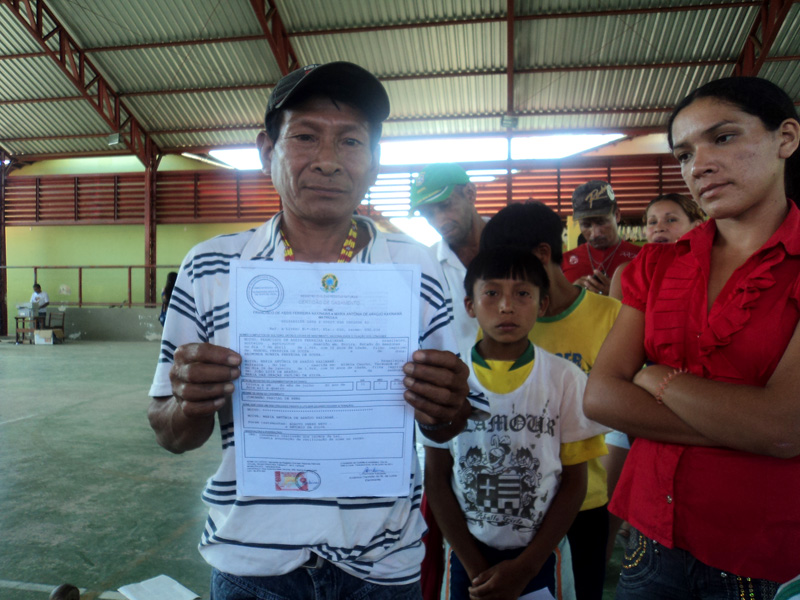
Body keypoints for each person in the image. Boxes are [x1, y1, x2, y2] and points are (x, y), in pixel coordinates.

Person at [148, 62, 476, 600]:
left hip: (382, 568)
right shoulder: (210, 266)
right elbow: (169, 432)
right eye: (305, 136)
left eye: (351, 141)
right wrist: (190, 402)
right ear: (266, 150)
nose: (328, 160)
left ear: (374, 161)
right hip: (253, 565)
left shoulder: (415, 267)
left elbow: (446, 428)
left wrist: (448, 406)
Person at [584, 76, 800, 599]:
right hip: (649, 540)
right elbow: (600, 396)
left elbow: (783, 426)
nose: (698, 165)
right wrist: (748, 428)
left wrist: (656, 378)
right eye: (684, 154)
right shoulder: (654, 267)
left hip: (761, 556)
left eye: (722, 138)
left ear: (786, 138)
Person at [423, 247, 608, 600]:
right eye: (492, 293)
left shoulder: (565, 379)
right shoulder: (449, 379)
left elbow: (574, 483)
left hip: (541, 556)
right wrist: (475, 568)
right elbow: (436, 477)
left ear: (542, 305)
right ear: (469, 305)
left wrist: (526, 567)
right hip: (467, 555)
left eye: (522, 294)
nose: (506, 306)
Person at [481, 202, 618, 600]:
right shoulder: (502, 328)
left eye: (509, 266)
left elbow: (624, 415)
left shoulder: (612, 317)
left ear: (542, 254)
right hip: (516, 505)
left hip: (586, 503)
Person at [411, 163, 486, 353]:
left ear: (470, 193)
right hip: (460, 372)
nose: (439, 221)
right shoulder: (427, 267)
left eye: (445, 206)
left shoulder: (516, 247)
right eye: (428, 214)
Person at [608, 193, 705, 300]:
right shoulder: (627, 273)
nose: (658, 228)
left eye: (671, 220)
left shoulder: (709, 269)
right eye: (652, 222)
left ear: (697, 227)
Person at [561, 181, 640, 296]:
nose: (595, 234)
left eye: (601, 222)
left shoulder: (642, 258)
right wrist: (572, 296)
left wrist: (618, 294)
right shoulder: (563, 262)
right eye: (586, 225)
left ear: (617, 215)